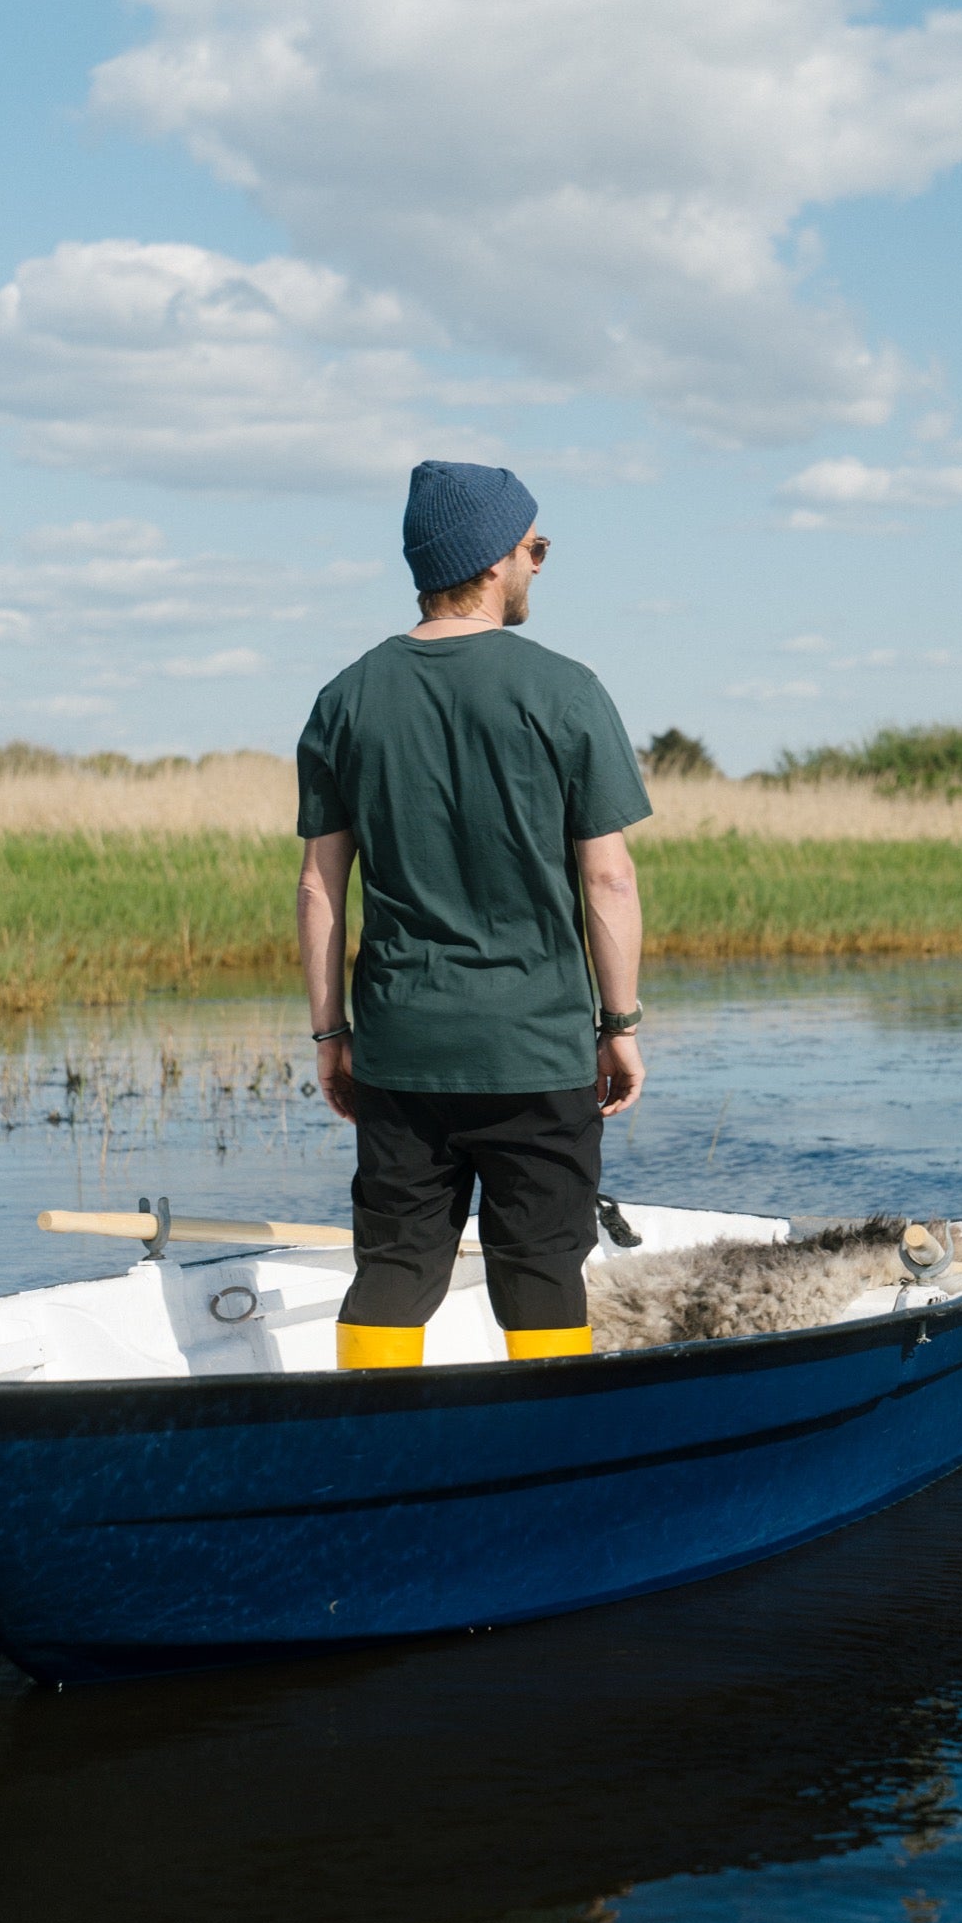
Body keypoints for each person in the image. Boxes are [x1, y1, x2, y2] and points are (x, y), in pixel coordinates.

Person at [296, 459, 651, 1370]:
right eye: (535, 547)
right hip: (535, 1048)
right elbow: (607, 882)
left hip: (403, 1045)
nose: (538, 564)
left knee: (392, 1266)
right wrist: (618, 1025)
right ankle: (546, 1464)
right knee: (540, 1269)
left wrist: (330, 1033)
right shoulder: (565, 691)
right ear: (495, 559)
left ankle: (372, 1455)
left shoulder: (346, 698)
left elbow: (319, 889)